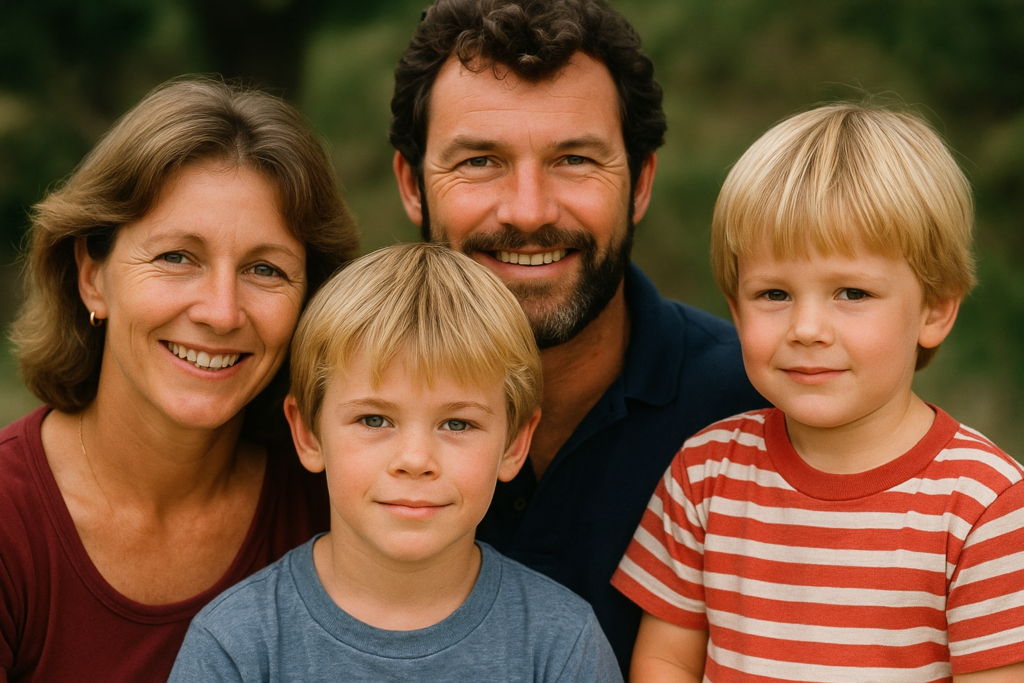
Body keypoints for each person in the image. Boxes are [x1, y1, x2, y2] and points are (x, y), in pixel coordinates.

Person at [388, 0, 766, 671]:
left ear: (640, 184)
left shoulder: (761, 405)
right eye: (479, 161)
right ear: (412, 185)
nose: (529, 211)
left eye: (573, 159)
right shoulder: (333, 415)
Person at [612, 103, 1024, 682]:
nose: (806, 328)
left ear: (934, 309)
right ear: (734, 308)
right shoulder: (706, 472)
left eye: (851, 293)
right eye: (774, 294)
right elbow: (664, 661)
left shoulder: (985, 506)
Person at [0, 77, 359, 682]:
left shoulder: (344, 501)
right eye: (177, 258)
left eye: (265, 269)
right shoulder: (11, 520)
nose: (221, 312)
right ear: (93, 276)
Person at [167, 243, 622, 682]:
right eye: (374, 419)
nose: (415, 460)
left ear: (514, 443)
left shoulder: (562, 645)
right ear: (307, 432)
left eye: (458, 424)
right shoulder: (236, 646)